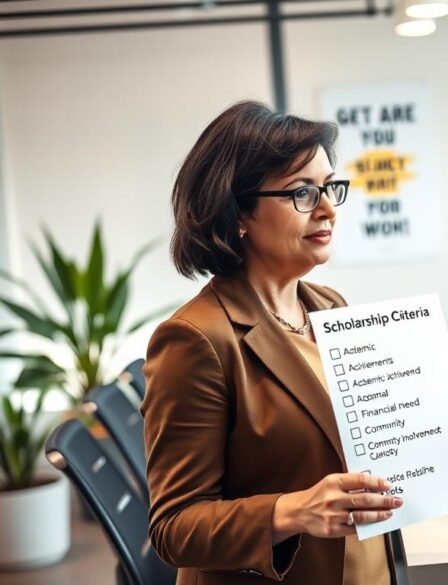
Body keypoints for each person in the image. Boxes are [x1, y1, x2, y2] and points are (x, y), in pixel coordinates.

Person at [143, 101, 403, 585]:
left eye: (329, 188)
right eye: (303, 192)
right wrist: (292, 511)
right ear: (238, 212)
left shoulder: (330, 307)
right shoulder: (195, 339)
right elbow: (173, 527)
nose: (327, 208)